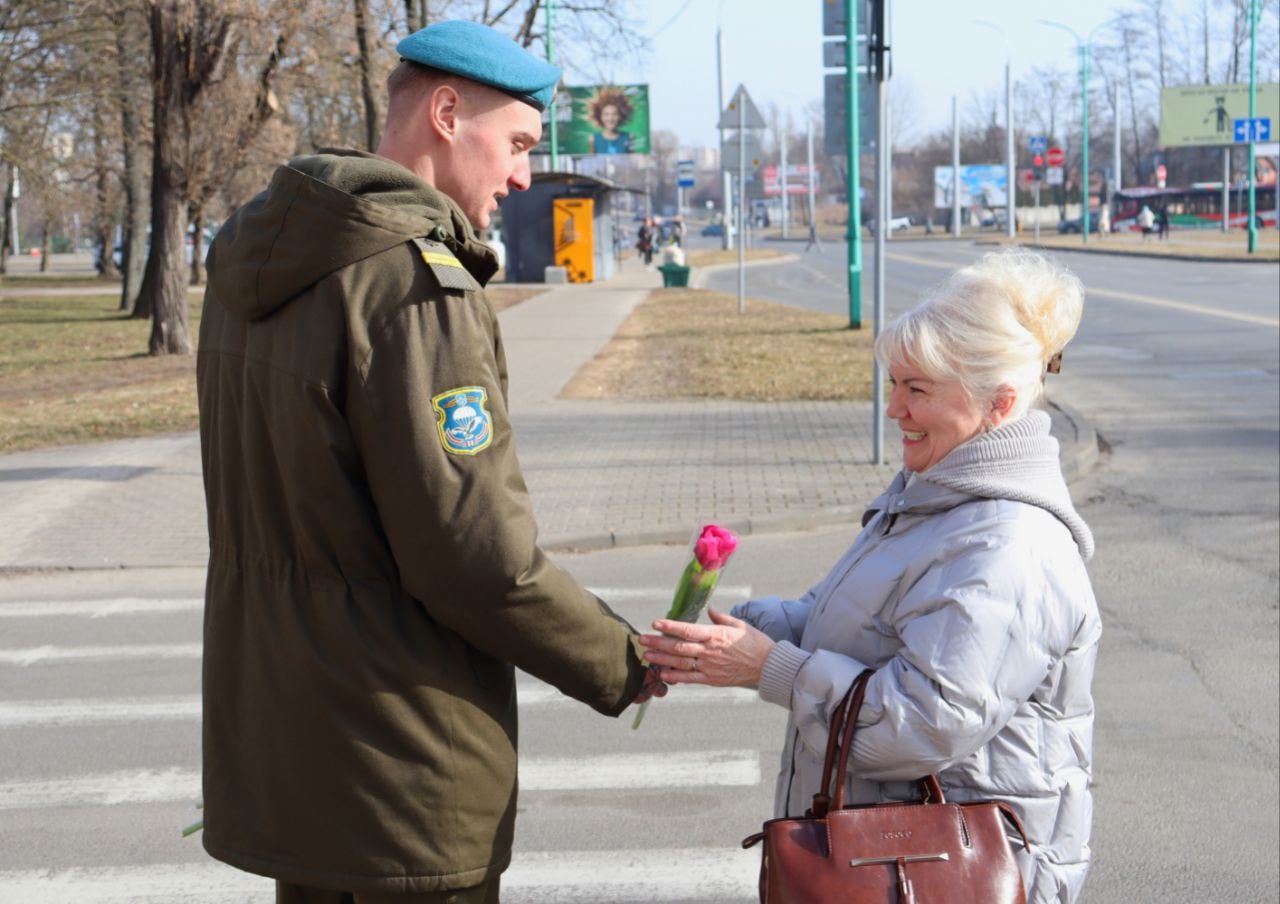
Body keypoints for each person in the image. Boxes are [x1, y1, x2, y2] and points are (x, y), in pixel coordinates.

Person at [196, 20, 664, 904]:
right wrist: (623, 660)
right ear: (447, 113)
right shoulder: (414, 287)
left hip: (292, 754)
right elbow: (475, 557)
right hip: (401, 763)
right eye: (518, 144)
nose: (523, 176)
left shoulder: (254, 265)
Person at [642, 249, 1101, 903]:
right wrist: (727, 637)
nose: (894, 410)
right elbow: (848, 623)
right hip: (897, 864)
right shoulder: (934, 492)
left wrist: (767, 668)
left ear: (998, 405)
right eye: (893, 384)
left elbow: (915, 727)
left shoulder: (1008, 547)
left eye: (917, 390)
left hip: (953, 874)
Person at [587, 85, 633, 154]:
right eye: (606, 114)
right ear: (601, 117)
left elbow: (632, 160)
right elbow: (591, 162)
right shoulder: (593, 139)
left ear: (620, 116)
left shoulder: (629, 138)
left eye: (614, 114)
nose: (610, 119)